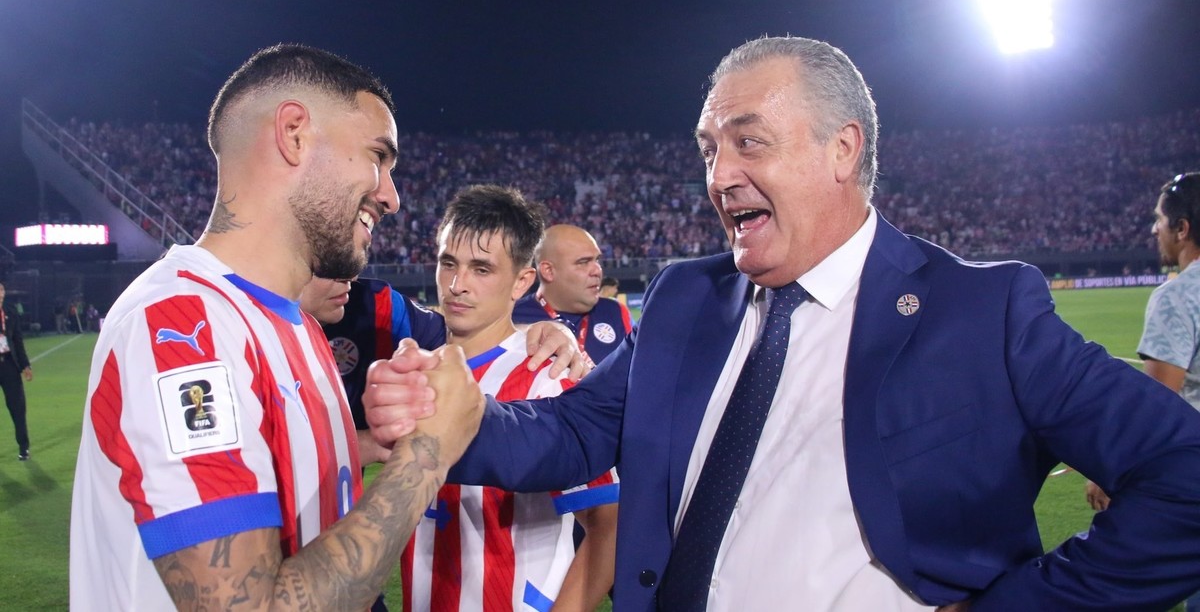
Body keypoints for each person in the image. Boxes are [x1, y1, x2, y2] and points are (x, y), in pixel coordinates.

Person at [367, 36, 1200, 611]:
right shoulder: (686, 299)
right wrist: (457, 418)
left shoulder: (986, 312)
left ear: (843, 150)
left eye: (749, 143)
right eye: (708, 149)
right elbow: (576, 431)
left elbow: (1184, 476)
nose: (719, 175)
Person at [69, 43, 490, 610]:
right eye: (378, 156)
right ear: (294, 134)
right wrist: (427, 455)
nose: (391, 197)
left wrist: (544, 330)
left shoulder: (296, 326)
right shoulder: (182, 326)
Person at [399, 184, 617, 611]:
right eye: (448, 263)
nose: (457, 285)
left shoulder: (548, 377)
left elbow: (608, 521)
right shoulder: (416, 371)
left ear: (522, 281)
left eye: (481, 269)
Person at [300, 275, 589, 459]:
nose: (349, 276)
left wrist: (543, 332)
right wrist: (367, 443)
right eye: (330, 264)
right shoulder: (269, 335)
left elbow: (462, 339)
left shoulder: (373, 304)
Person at [1085, 171, 1200, 610]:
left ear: (1182, 228)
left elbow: (1158, 409)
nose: (1155, 229)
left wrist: (1108, 470)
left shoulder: (1178, 297)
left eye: (1159, 220)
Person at [512, 224, 632, 364]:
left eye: (597, 260)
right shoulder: (513, 318)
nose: (597, 271)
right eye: (583, 262)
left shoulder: (615, 312)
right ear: (548, 271)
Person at [0, 281, 32, 461]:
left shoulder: (10, 312)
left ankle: (23, 447)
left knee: (17, 408)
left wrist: (26, 365)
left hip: (9, 365)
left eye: (1, 290)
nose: (0, 294)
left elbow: (18, 341)